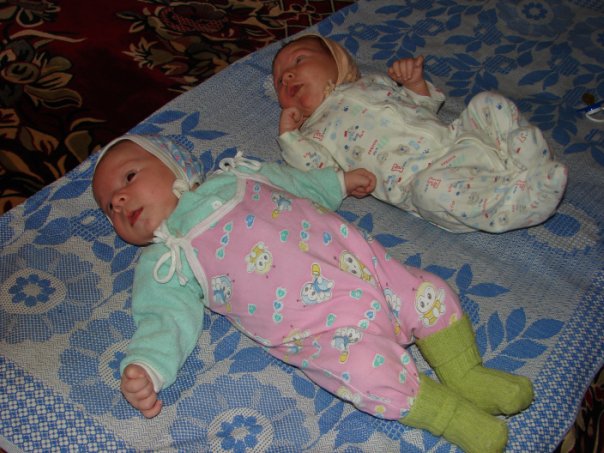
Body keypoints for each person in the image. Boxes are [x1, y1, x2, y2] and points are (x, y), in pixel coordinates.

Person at [92, 134, 534, 453]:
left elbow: (297, 183)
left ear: (175, 165)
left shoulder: (239, 176)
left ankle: (466, 373)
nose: (120, 200)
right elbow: (164, 317)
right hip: (324, 329)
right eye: (110, 205)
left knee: (429, 293)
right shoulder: (168, 257)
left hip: (367, 268)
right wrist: (147, 365)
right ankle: (452, 416)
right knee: (364, 372)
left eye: (129, 177)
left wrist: (338, 182)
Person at [272, 34, 568, 233]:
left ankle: (532, 162)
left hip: (457, 138)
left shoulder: (371, 82)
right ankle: (520, 201)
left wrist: (414, 84)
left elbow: (421, 107)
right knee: (429, 191)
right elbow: (318, 174)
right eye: (279, 81)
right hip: (427, 178)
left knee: (486, 103)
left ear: (338, 62)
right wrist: (290, 136)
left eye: (298, 60)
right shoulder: (313, 134)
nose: (287, 75)